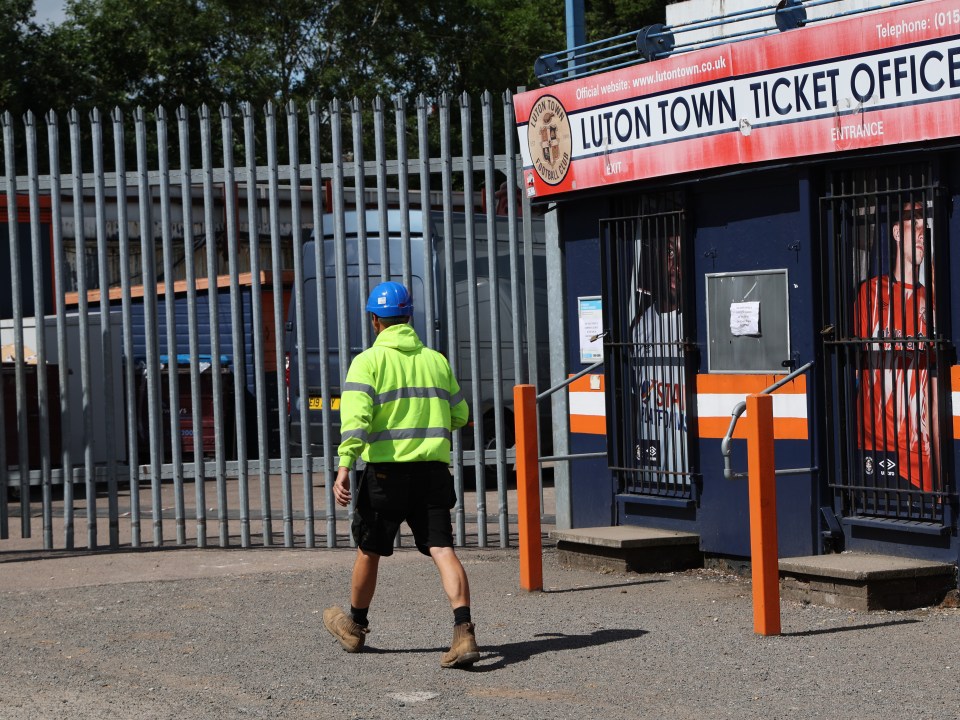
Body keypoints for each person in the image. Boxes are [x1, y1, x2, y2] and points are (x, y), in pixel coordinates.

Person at [322, 281, 479, 668]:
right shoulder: (436, 361)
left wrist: (344, 466)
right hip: (432, 472)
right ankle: (464, 633)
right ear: (409, 317)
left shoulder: (368, 362)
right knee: (443, 550)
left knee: (369, 551)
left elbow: (356, 421)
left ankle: (355, 627)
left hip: (386, 476)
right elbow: (460, 414)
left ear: (375, 321)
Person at [854, 199, 938, 492]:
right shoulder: (871, 294)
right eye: (912, 222)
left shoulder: (931, 300)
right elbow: (853, 359)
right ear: (895, 232)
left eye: (924, 225)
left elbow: (937, 376)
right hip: (875, 445)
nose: (921, 232)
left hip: (919, 453)